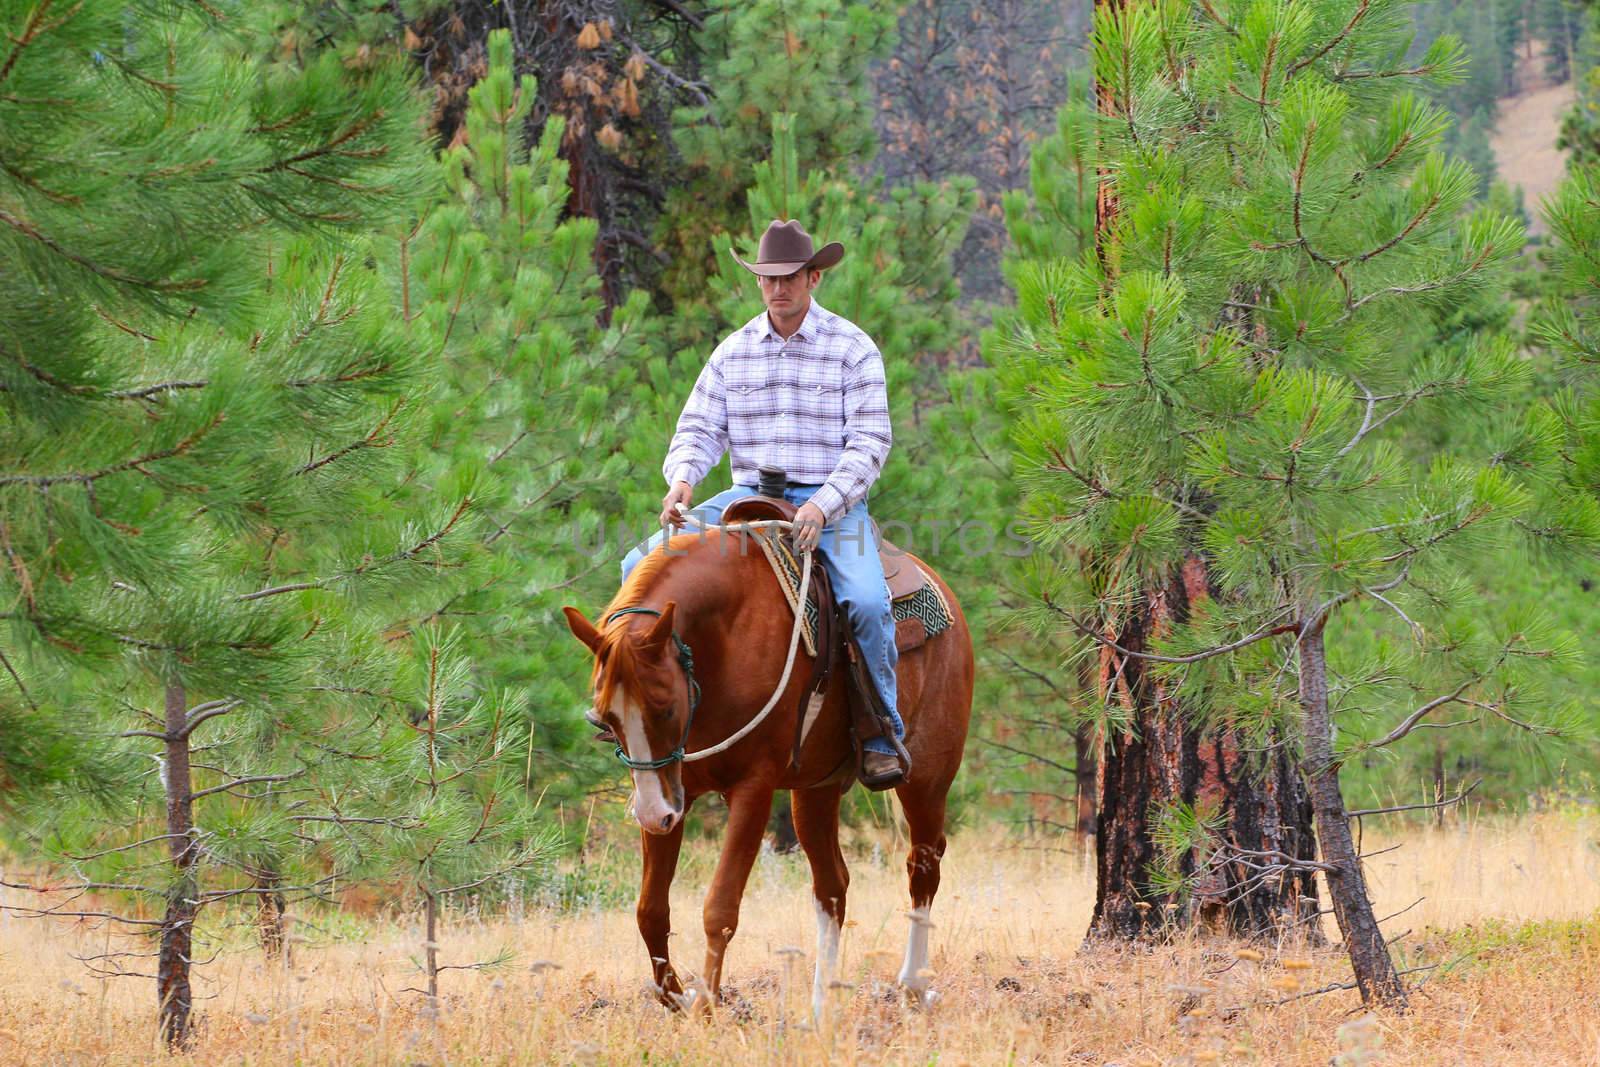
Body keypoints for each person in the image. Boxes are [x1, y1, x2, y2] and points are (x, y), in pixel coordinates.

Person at [621, 219, 906, 785]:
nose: (779, 288)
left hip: (832, 504)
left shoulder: (852, 349)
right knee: (635, 566)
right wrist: (682, 480)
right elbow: (698, 429)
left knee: (869, 603)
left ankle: (881, 732)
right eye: (768, 278)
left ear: (814, 277)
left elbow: (871, 442)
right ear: (758, 282)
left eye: (791, 277)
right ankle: (643, 704)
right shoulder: (733, 353)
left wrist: (823, 505)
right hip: (747, 496)